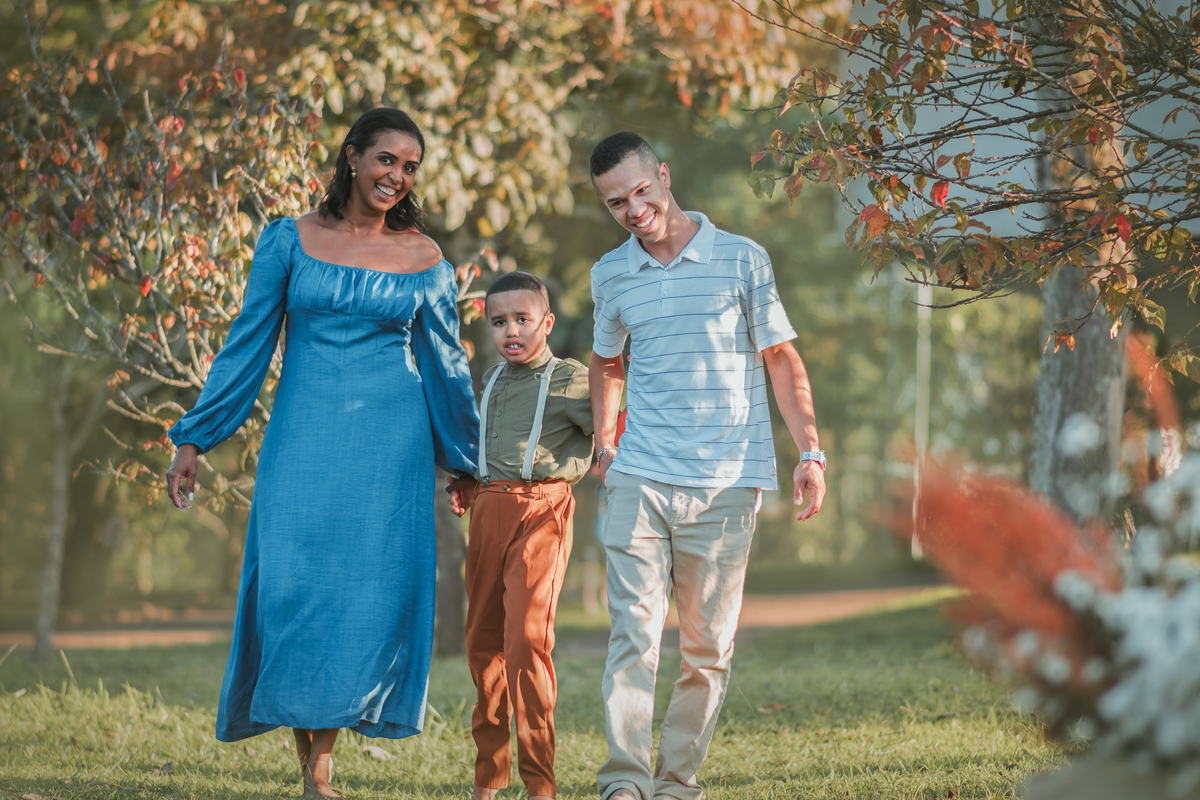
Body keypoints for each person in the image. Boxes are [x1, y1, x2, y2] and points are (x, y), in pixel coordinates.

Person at [164, 108, 479, 799]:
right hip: (303, 437)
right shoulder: (289, 240)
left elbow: (447, 366)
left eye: (410, 166)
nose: (397, 175)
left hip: (389, 445)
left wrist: (464, 460)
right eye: (387, 159)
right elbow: (246, 345)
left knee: (362, 598)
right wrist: (195, 437)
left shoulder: (424, 259)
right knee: (294, 587)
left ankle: (320, 770)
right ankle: (311, 759)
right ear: (353, 156)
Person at [587, 132, 826, 800]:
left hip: (726, 483)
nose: (635, 210)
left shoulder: (742, 260)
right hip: (638, 478)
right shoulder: (611, 274)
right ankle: (625, 784)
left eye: (642, 191)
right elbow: (607, 363)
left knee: (706, 650)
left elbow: (782, 359)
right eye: (617, 203)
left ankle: (676, 783)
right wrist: (606, 447)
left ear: (663, 175)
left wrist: (810, 450)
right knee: (634, 638)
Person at [446, 271, 593, 800]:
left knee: (527, 642)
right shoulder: (489, 381)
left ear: (546, 322)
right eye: (499, 321)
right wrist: (466, 477)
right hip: (488, 512)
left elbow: (612, 422)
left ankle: (540, 783)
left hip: (542, 511)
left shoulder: (569, 377)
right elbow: (485, 442)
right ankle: (489, 778)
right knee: (483, 644)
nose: (511, 330)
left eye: (522, 320)